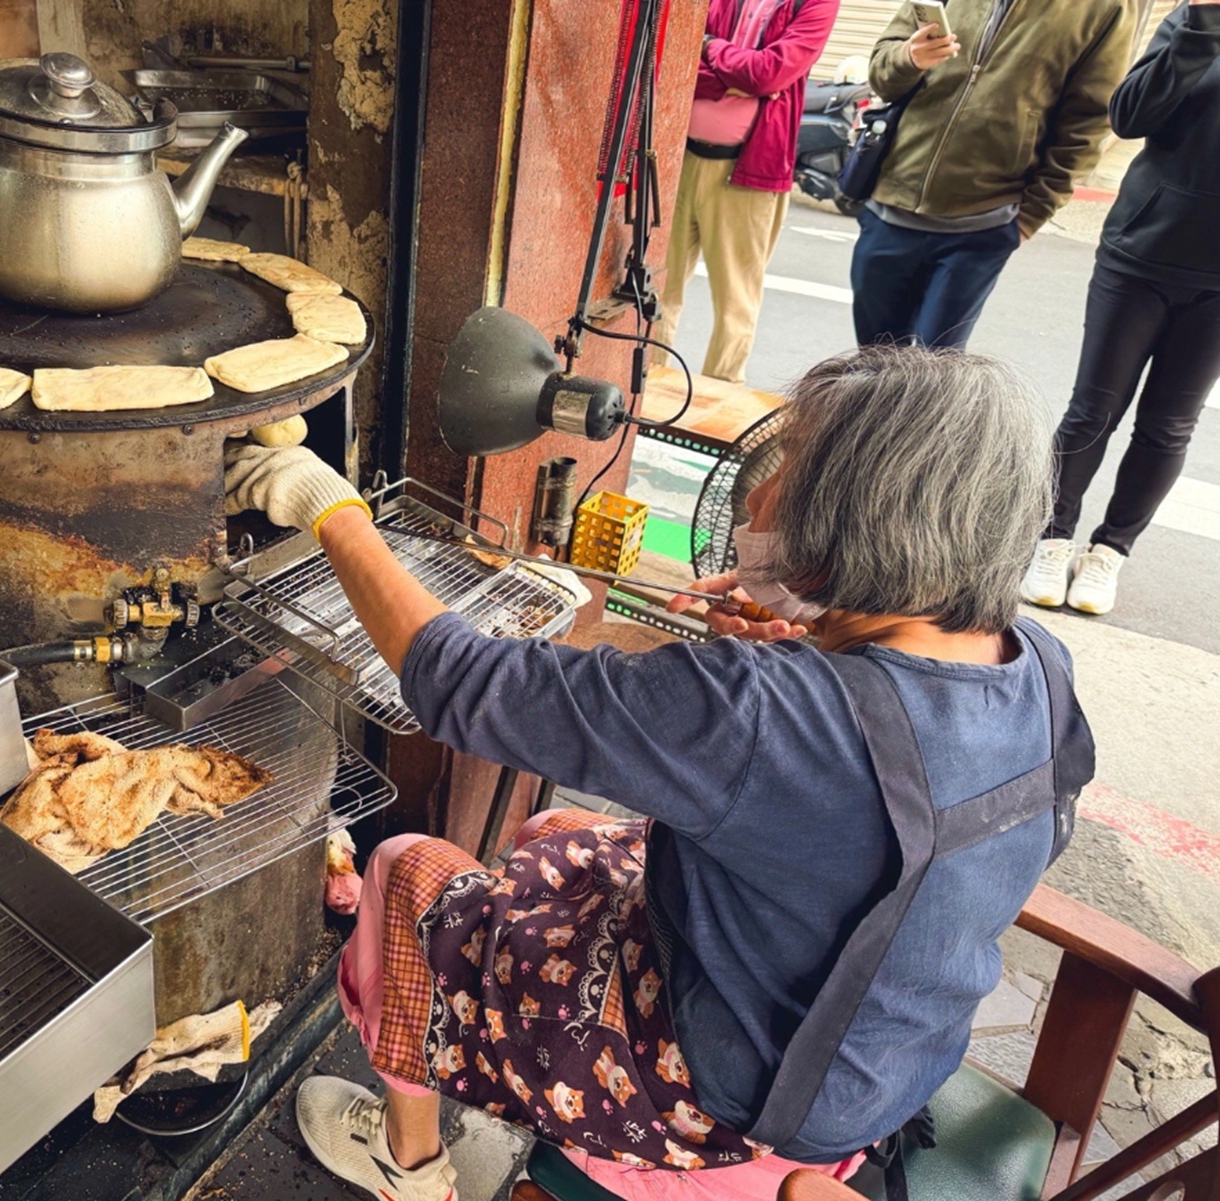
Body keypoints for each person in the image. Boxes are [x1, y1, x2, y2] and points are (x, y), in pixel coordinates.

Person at [223, 345, 1094, 1201]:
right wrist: (823, 642)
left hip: (707, 1105)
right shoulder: (1038, 666)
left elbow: (460, 681)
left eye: (786, 465)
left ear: (855, 512)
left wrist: (332, 509)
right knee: (552, 833)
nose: (758, 493)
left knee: (408, 871)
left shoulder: (763, 709)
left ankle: (407, 1165)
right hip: (877, 1070)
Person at [1023, 0, 1220, 617]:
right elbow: (1131, 116)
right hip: (1140, 254)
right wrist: (1201, 25)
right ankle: (1051, 539)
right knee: (1093, 410)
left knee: (1169, 425)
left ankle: (1110, 552)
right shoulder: (1192, 23)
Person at [850, 0, 1132, 349]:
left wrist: (1032, 215)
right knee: (873, 361)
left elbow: (1087, 121)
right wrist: (908, 59)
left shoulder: (1105, 7)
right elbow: (881, 69)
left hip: (983, 221)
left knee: (938, 373)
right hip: (891, 205)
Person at [653, 0, 840, 384]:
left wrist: (712, 48)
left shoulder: (817, 3)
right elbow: (677, 59)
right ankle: (642, 388)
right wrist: (736, 75)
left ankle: (716, 401)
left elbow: (770, 74)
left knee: (735, 304)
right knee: (657, 289)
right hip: (679, 158)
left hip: (749, 172)